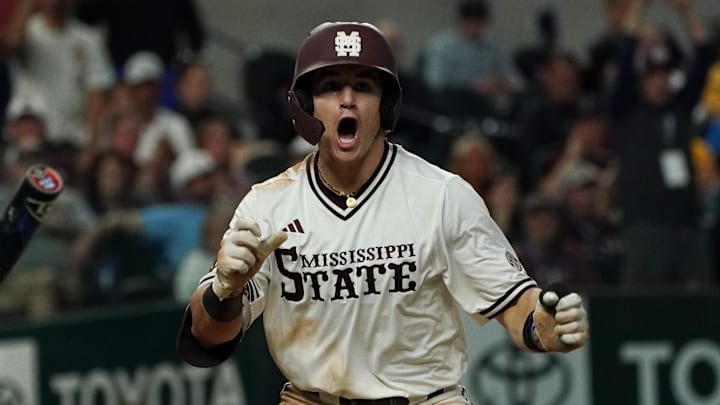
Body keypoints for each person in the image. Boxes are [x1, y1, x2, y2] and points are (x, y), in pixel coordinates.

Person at [176, 22, 589, 404]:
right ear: (306, 105)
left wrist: (542, 327)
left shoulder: (441, 195)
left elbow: (514, 304)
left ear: (385, 104)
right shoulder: (268, 204)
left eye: (363, 86)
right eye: (331, 86)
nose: (348, 99)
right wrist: (224, 293)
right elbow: (206, 341)